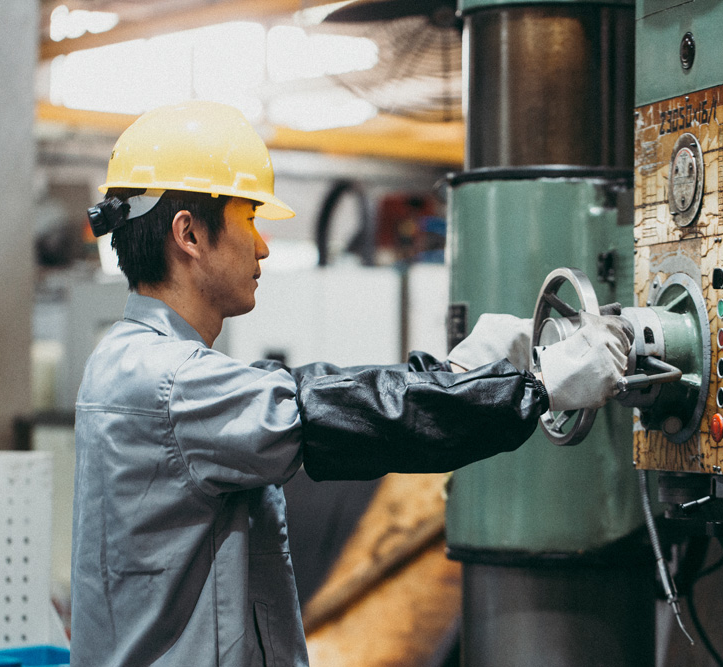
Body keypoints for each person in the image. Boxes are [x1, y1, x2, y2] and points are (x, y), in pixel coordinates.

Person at [70, 101, 633, 666]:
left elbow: (335, 398)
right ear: (189, 234)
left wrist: (460, 375)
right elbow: (340, 416)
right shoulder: (170, 384)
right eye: (249, 219)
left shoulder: (139, 364)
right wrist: (537, 387)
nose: (263, 246)